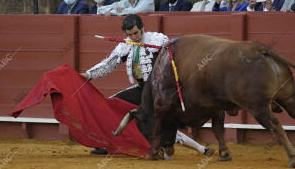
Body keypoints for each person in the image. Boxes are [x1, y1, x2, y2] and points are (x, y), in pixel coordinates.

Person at [81, 14, 213, 156]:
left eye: (136, 33)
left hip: (160, 91)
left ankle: (200, 148)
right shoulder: (125, 45)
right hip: (142, 88)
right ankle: (109, 144)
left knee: (158, 123)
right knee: (110, 105)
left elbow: (174, 60)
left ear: (143, 28)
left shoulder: (158, 40)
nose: (134, 37)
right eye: (129, 34)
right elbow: (109, 64)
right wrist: (89, 75)